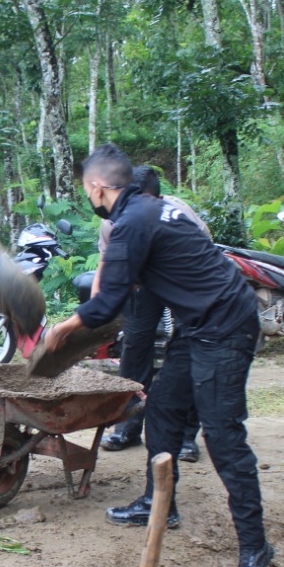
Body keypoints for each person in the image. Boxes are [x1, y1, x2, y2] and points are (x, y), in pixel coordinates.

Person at [46, 144, 272, 567]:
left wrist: (62, 330)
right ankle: (159, 503)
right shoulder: (151, 208)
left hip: (225, 326)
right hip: (201, 323)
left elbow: (109, 304)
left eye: (84, 190)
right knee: (164, 409)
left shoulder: (131, 221)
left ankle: (256, 547)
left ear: (96, 187)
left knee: (224, 436)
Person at [96, 166, 205, 463]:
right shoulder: (113, 222)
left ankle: (184, 435)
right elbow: (109, 267)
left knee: (187, 355)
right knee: (134, 348)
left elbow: (201, 261)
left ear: (155, 197)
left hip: (184, 282)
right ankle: (128, 426)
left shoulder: (181, 214)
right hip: (142, 285)